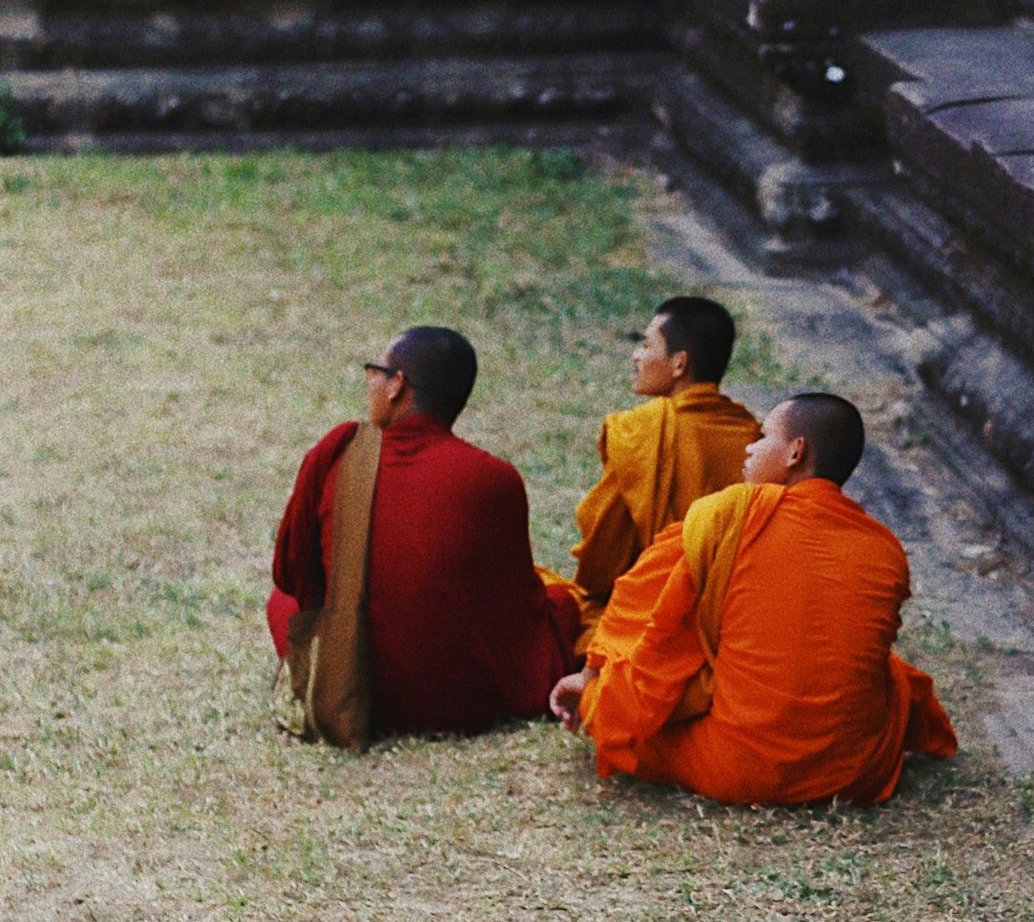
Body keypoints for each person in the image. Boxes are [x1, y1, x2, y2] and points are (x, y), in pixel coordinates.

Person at [549, 390, 957, 805]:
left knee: (629, 727)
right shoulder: (884, 547)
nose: (749, 447)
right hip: (851, 770)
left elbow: (644, 614)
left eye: (763, 437)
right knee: (887, 675)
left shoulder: (732, 513)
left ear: (796, 452)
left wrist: (591, 682)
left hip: (741, 767)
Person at [269, 326, 578, 744]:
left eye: (376, 371)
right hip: (458, 702)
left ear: (397, 385)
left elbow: (291, 573)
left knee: (282, 602)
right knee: (561, 602)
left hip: (349, 684)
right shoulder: (494, 478)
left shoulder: (343, 454)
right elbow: (515, 610)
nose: (370, 382)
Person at [552, 296, 760, 650]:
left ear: (679, 364)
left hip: (649, 614)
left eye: (647, 345)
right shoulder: (751, 435)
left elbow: (602, 555)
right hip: (731, 625)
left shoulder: (640, 431)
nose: (636, 356)